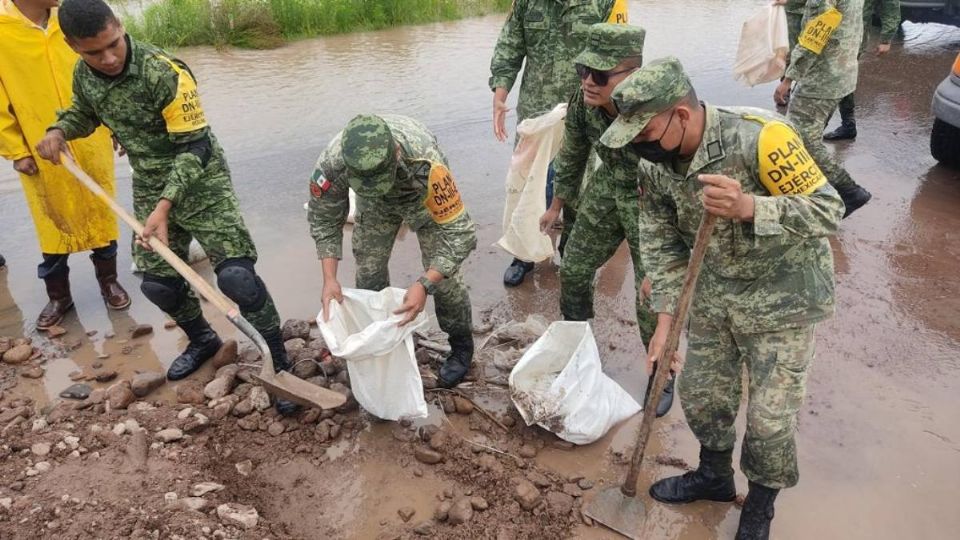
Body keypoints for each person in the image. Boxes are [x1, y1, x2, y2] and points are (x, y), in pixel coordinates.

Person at [602, 57, 843, 539]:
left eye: (645, 131)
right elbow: (661, 241)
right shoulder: (655, 163)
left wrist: (750, 206)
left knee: (771, 421)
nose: (638, 145)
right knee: (704, 395)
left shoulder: (762, 137)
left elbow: (828, 209)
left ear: (682, 116)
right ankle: (714, 476)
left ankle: (759, 506)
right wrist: (665, 324)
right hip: (711, 293)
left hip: (784, 298)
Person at [35, 0, 297, 415]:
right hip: (150, 186)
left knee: (236, 278)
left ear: (120, 26)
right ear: (72, 45)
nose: (107, 58)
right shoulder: (85, 74)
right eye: (93, 52)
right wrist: (59, 129)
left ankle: (278, 360)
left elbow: (196, 145)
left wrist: (164, 207)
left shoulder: (164, 71)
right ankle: (202, 339)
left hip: (202, 181)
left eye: (113, 44)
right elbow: (86, 113)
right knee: (158, 283)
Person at [538, 23, 672, 416]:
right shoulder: (583, 103)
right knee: (575, 268)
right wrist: (556, 206)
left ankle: (662, 371)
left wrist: (673, 243)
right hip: (607, 185)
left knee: (651, 294)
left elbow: (683, 172)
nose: (587, 83)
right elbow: (573, 154)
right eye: (583, 71)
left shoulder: (656, 105)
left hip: (653, 198)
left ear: (632, 72)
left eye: (598, 75)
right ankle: (579, 348)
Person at [308, 114, 478, 388]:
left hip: (421, 199)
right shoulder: (332, 164)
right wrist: (329, 278)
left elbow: (461, 233)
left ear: (396, 152)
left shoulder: (427, 162)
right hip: (375, 205)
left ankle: (461, 346)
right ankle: (385, 340)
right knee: (368, 272)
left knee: (446, 282)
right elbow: (324, 219)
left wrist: (424, 284)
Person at [0, 0, 130, 330]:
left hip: (90, 136)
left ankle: (109, 283)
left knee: (101, 212)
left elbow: (109, 73)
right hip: (38, 142)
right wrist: (16, 150)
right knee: (52, 221)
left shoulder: (73, 21)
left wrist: (118, 125)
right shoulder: (3, 30)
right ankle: (59, 295)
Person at [489, 0, 628, 286]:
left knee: (580, 181)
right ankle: (524, 253)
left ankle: (571, 251)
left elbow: (620, 54)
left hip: (585, 109)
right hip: (536, 111)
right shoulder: (526, 2)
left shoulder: (603, 2)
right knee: (529, 181)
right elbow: (509, 46)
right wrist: (499, 96)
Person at [774, 0, 873, 218]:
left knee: (798, 140)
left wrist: (788, 78)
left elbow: (814, 36)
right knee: (811, 136)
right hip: (843, 72)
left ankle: (848, 190)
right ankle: (815, 190)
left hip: (822, 79)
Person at [823, 0, 901, 141]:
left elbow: (890, 4)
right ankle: (847, 124)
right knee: (836, 77)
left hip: (851, 35)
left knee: (838, 78)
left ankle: (818, 128)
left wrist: (886, 39)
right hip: (825, 29)